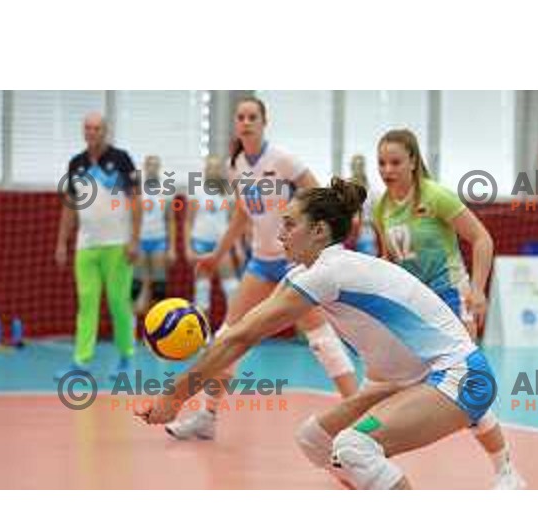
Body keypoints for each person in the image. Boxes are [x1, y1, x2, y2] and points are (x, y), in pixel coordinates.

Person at [136, 178, 499, 491]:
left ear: (319, 231)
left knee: (354, 447)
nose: (280, 234)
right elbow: (241, 332)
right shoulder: (306, 273)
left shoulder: (329, 271)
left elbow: (239, 339)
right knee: (314, 440)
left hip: (461, 375)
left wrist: (174, 396)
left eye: (290, 224)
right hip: (409, 379)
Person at [163, 97, 358, 440]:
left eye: (253, 116)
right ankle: (207, 416)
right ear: (235, 124)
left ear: (264, 122)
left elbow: (319, 195)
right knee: (228, 337)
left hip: (293, 262)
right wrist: (218, 253)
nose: (246, 122)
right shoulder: (236, 164)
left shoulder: (282, 159)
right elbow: (243, 213)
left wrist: (319, 242)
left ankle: (359, 416)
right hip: (260, 263)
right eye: (241, 117)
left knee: (321, 340)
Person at [371, 128, 524, 489]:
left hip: (452, 300)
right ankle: (365, 447)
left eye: (395, 162)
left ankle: (506, 470)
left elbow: (482, 238)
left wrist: (478, 290)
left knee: (464, 384)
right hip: (414, 308)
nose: (387, 169)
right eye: (381, 162)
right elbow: (389, 258)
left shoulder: (435, 196)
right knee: (390, 377)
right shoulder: (381, 207)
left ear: (412, 161)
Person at [54, 113, 141, 380]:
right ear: (83, 132)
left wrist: (134, 240)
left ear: (106, 131)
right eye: (88, 128)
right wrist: (61, 242)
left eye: (97, 128)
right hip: (86, 246)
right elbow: (70, 207)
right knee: (87, 303)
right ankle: (81, 362)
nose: (92, 132)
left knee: (118, 303)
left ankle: (126, 358)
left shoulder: (123, 160)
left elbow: (136, 201)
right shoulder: (76, 163)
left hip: (118, 245)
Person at [185, 155, 244, 315]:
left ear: (221, 171)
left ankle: (231, 331)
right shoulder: (195, 190)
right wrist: (188, 248)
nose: (213, 170)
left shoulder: (228, 192)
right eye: (210, 167)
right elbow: (188, 221)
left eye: (217, 167)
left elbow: (234, 222)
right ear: (205, 170)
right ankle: (203, 334)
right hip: (200, 243)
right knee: (202, 289)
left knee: (232, 287)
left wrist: (238, 247)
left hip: (222, 244)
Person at [134, 155, 175, 315]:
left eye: (155, 165)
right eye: (149, 164)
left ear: (159, 168)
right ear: (145, 167)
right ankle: (132, 331)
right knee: (137, 285)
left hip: (159, 240)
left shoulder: (166, 190)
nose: (152, 167)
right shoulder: (137, 189)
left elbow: (170, 220)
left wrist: (171, 248)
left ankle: (156, 324)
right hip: (140, 240)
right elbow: (130, 218)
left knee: (159, 285)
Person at [347, 154, 377, 255]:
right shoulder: (345, 189)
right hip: (348, 234)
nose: (358, 167)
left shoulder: (373, 193)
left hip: (366, 233)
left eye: (360, 164)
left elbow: (377, 218)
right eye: (355, 164)